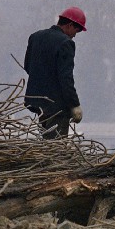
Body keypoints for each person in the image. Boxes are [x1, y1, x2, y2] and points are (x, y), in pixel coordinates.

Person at [24, 7, 86, 139]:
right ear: (69, 25)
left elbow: (28, 66)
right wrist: (74, 105)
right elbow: (66, 78)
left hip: (37, 102)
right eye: (77, 30)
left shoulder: (35, 37)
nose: (75, 35)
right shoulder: (66, 43)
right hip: (57, 106)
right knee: (55, 146)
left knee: (45, 143)